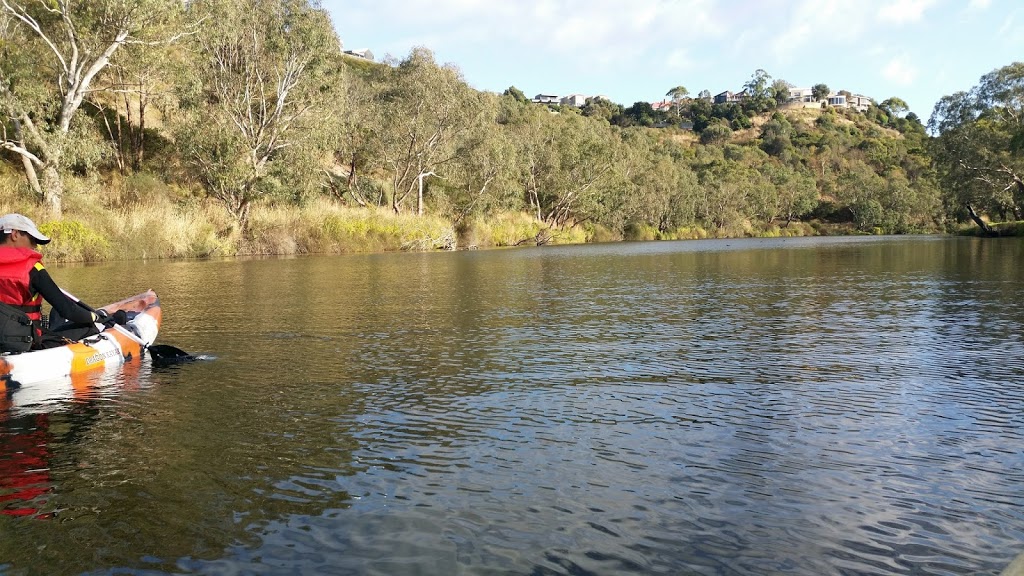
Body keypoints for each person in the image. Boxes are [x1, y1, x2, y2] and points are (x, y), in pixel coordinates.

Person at [0, 213, 126, 349]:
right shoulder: (32, 269)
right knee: (89, 326)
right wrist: (95, 317)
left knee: (56, 313)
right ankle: (108, 322)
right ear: (15, 234)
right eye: (32, 240)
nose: (35, 246)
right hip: (27, 342)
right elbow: (68, 310)